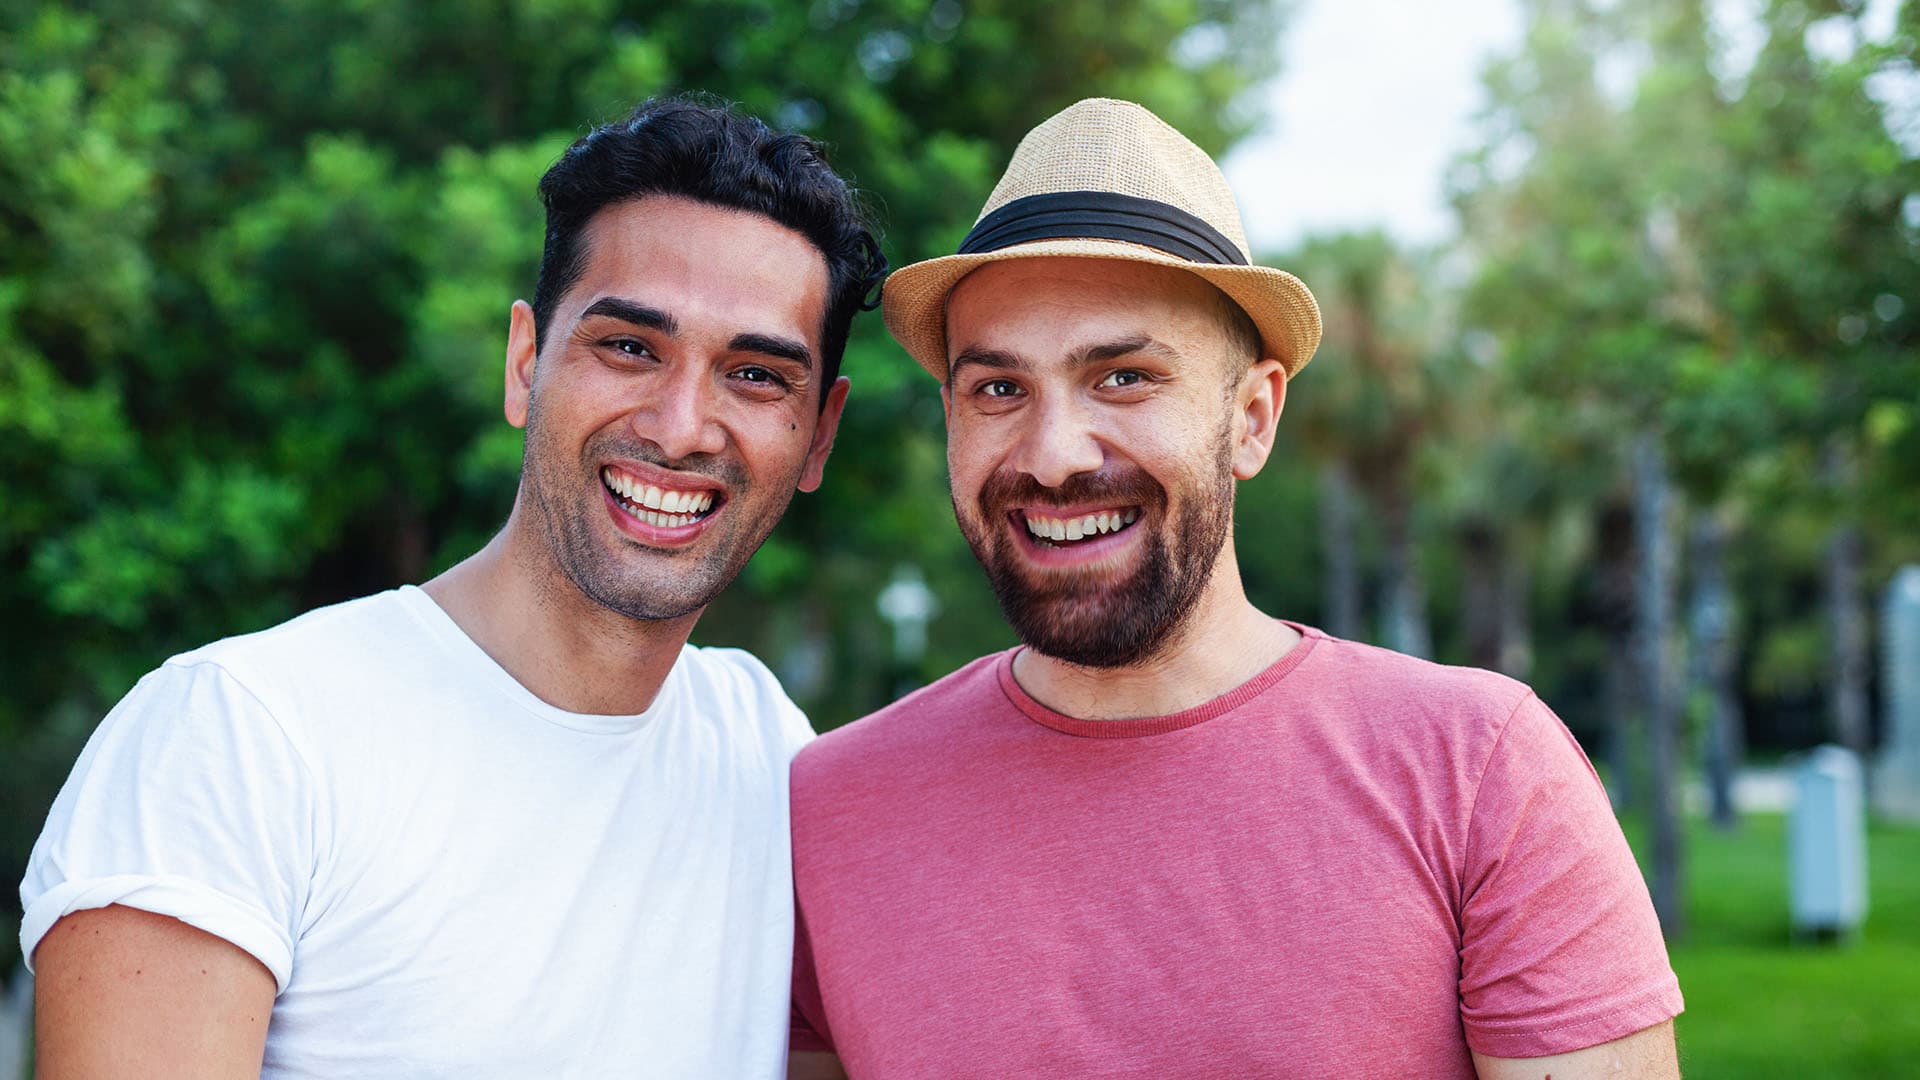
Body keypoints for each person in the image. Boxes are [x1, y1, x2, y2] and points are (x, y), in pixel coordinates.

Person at [787, 98, 1682, 1080]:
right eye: (999, 389)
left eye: (1124, 377)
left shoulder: (1480, 773)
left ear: (1252, 418)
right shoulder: (829, 811)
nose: (1052, 456)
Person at [21, 96, 884, 1079]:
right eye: (630, 347)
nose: (681, 426)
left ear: (819, 435)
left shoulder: (766, 753)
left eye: (757, 375)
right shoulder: (238, 737)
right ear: (525, 363)